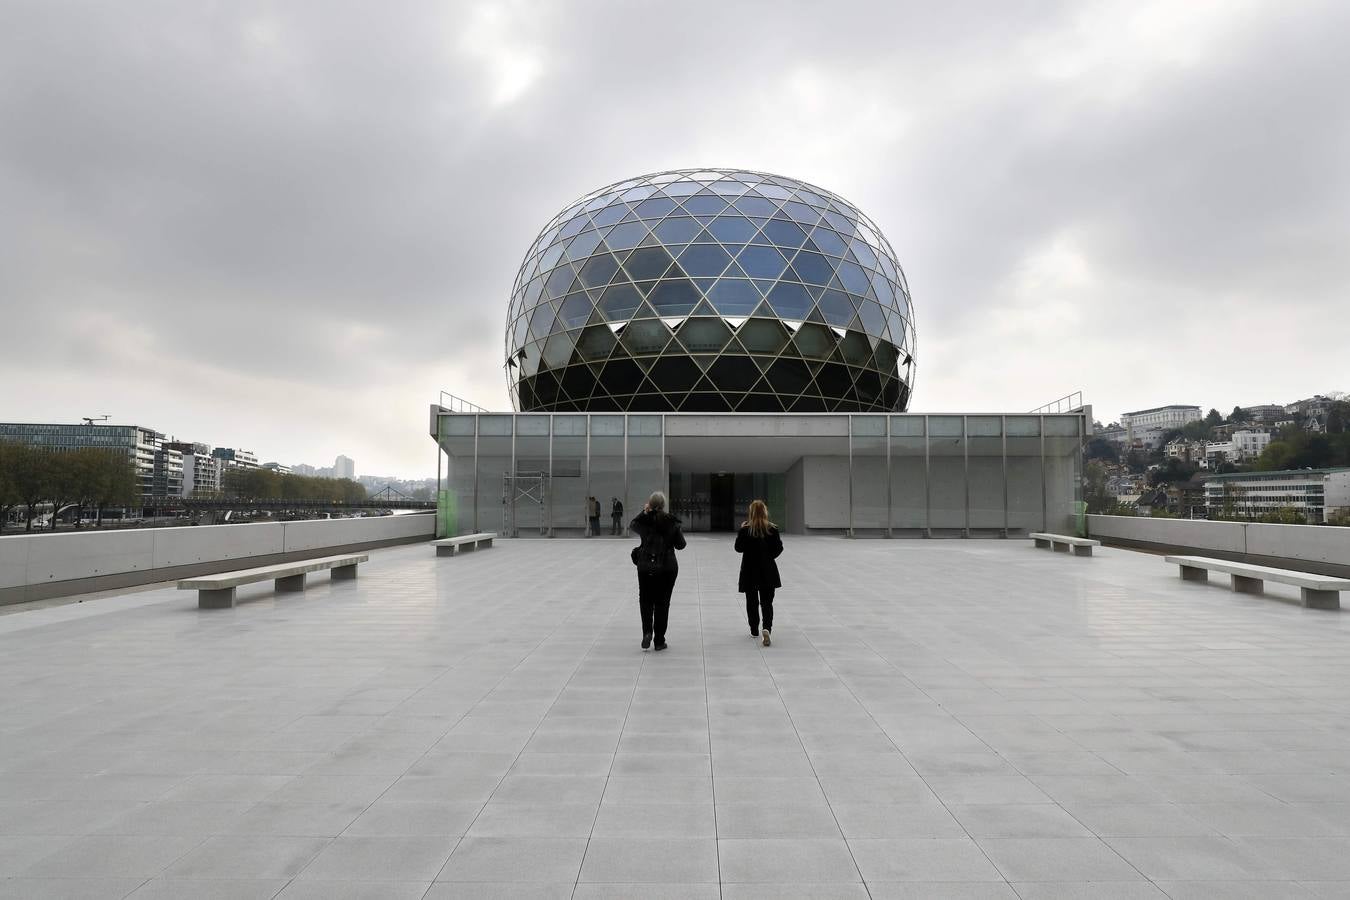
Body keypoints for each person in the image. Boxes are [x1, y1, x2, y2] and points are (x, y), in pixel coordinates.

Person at [630, 491, 686, 651]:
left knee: (645, 600)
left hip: (646, 565)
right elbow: (681, 545)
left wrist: (644, 512)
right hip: (667, 567)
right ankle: (659, 640)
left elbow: (633, 525)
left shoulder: (644, 521)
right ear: (663, 505)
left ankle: (647, 632)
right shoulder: (671, 521)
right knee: (663, 603)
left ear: (650, 504)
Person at [735, 499, 783, 647]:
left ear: (751, 513)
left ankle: (754, 629)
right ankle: (767, 628)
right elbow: (778, 549)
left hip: (749, 571)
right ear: (765, 512)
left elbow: (738, 548)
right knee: (767, 602)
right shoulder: (772, 529)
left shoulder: (746, 529)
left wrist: (741, 531)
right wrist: (768, 557)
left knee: (752, 601)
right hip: (768, 571)